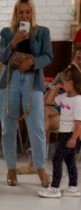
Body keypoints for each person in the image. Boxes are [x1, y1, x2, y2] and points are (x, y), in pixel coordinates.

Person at [0, 0, 51, 187]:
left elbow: (48, 56)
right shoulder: (6, 32)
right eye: (21, 12)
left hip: (32, 79)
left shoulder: (42, 32)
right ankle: (11, 168)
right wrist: (13, 42)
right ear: (16, 13)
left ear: (32, 13)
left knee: (36, 125)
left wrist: (32, 62)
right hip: (10, 79)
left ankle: (40, 167)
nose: (25, 16)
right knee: (8, 125)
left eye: (28, 12)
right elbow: (2, 58)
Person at [38, 65, 81, 199]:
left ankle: (54, 188)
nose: (61, 84)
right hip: (64, 133)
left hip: (71, 134)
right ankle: (73, 187)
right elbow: (48, 101)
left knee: (57, 159)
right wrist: (55, 88)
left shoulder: (78, 100)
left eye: (63, 82)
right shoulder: (64, 97)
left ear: (71, 83)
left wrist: (74, 138)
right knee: (69, 161)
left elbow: (79, 122)